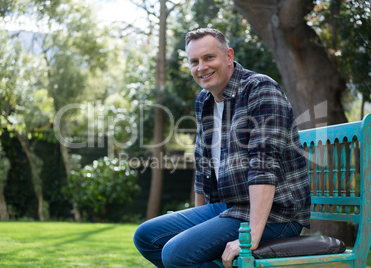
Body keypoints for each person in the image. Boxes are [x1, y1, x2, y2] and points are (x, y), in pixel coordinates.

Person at [133, 28, 311, 268]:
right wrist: (199, 226)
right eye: (194, 61)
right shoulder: (204, 101)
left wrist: (252, 237)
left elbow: (264, 166)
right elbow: (203, 166)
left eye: (209, 58)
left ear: (228, 56)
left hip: (276, 215)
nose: (201, 67)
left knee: (176, 254)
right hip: (229, 209)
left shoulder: (260, 89)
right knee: (146, 237)